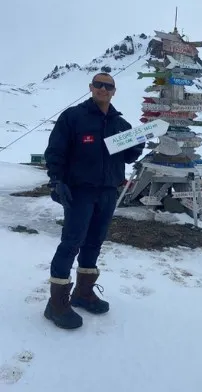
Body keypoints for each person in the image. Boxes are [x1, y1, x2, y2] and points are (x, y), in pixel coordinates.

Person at [43, 72, 145, 329]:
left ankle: (83, 293)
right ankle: (56, 304)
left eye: (108, 86)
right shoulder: (73, 117)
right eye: (98, 84)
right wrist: (57, 180)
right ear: (91, 87)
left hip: (108, 191)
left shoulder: (121, 124)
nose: (103, 88)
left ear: (114, 91)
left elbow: (130, 156)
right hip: (80, 191)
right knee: (71, 242)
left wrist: (139, 143)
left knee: (94, 242)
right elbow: (56, 150)